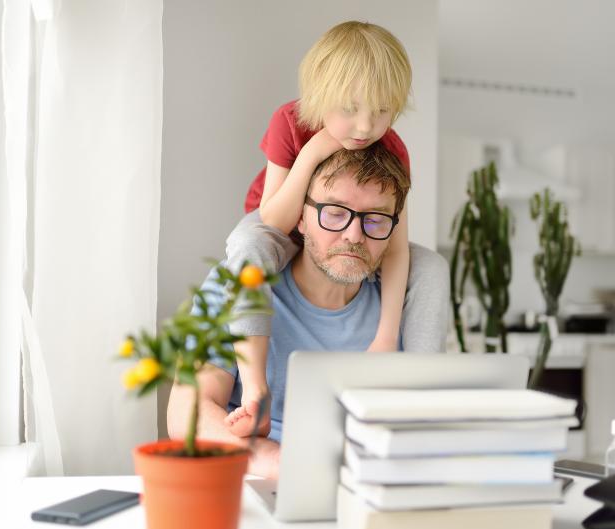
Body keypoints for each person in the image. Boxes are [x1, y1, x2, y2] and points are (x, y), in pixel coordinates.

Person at [167, 144, 449, 478]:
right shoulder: (241, 281)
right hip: (256, 479)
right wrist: (273, 461)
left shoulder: (408, 303)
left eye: (375, 220)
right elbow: (188, 411)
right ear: (300, 216)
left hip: (366, 486)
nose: (354, 235)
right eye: (334, 213)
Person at [224, 20, 446, 439]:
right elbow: (274, 219)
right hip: (284, 228)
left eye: (381, 111)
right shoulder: (289, 122)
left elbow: (396, 249)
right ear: (320, 97)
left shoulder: (392, 147)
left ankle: (422, 396)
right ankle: (255, 388)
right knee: (246, 241)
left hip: (349, 236)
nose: (365, 127)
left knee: (431, 266)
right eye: (350, 109)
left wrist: (384, 338)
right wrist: (313, 152)